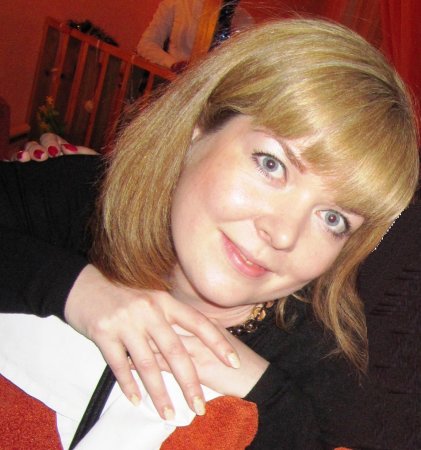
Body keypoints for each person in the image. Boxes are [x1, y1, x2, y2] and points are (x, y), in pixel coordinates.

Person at [0, 18, 419, 449]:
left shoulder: (328, 371)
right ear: (199, 127)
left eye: (332, 218)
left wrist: (267, 394)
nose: (282, 234)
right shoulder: (84, 201)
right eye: (271, 165)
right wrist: (77, 290)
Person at [136, 0, 254, 71]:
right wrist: (173, 63)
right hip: (173, 82)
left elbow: (242, 64)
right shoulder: (178, 4)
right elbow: (146, 44)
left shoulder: (243, 18)